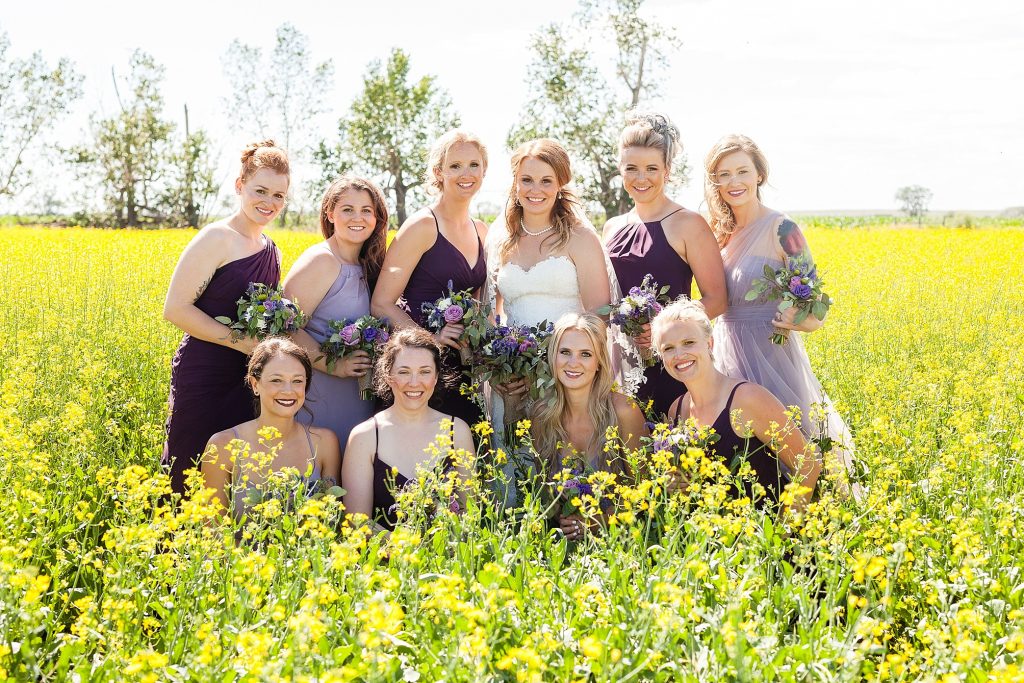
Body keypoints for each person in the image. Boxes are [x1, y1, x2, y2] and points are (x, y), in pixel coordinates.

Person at [703, 134, 857, 493]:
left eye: (742, 171)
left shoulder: (782, 228)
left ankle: (810, 517)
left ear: (759, 174)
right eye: (723, 174)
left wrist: (794, 319)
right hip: (725, 348)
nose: (734, 182)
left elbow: (816, 312)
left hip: (770, 352)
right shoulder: (717, 231)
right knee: (741, 445)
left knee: (792, 443)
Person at [162, 140, 289, 495]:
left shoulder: (271, 249)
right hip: (206, 371)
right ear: (239, 186)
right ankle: (175, 546)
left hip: (248, 375)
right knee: (190, 462)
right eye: (260, 191)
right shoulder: (217, 237)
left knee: (237, 470)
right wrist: (242, 342)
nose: (269, 202)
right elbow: (175, 308)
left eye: (279, 195)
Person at [604, 111, 727, 419]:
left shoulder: (688, 224)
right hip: (622, 363)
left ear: (667, 170)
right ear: (620, 170)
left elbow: (718, 299)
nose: (640, 178)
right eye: (631, 168)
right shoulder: (612, 227)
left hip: (675, 359)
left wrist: (662, 331)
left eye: (651, 168)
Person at [485, 138, 614, 424]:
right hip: (513, 377)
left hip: (568, 374)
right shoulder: (502, 240)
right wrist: (501, 365)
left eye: (546, 181)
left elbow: (599, 316)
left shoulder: (580, 238)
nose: (536, 190)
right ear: (515, 185)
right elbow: (490, 313)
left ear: (559, 186)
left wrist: (563, 364)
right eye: (527, 180)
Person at [652, 299, 820, 510]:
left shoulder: (747, 399)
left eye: (689, 343)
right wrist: (677, 484)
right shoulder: (676, 411)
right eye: (668, 348)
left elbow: (808, 465)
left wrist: (782, 533)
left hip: (763, 532)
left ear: (709, 343)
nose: (679, 355)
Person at [371, 130, 489, 428]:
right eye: (455, 166)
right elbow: (381, 303)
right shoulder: (422, 225)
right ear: (439, 172)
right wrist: (430, 342)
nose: (466, 174)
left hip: (465, 365)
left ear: (484, 170)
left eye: (474, 165)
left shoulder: (482, 230)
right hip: (417, 367)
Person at [283, 176, 388, 452]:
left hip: (357, 394)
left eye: (366, 210)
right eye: (347, 209)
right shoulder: (322, 260)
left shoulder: (368, 264)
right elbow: (286, 329)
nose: (358, 217)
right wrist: (333, 365)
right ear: (330, 213)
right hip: (320, 392)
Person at [342, 328, 475, 532]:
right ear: (388, 375)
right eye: (404, 372)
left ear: (437, 376)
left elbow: (469, 513)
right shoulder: (365, 436)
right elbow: (357, 521)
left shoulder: (457, 430)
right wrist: (405, 550)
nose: (414, 382)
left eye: (424, 372)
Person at [531, 313, 647, 541]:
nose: (573, 363)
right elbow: (545, 491)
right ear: (552, 357)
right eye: (565, 352)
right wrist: (562, 517)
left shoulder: (623, 411)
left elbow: (644, 491)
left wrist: (597, 522)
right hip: (563, 546)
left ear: (599, 362)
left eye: (585, 354)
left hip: (623, 541)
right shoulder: (542, 414)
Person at [202, 338, 341, 519]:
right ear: (255, 384)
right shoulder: (223, 446)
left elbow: (332, 521)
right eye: (277, 380)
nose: (288, 390)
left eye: (297, 381)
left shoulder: (324, 442)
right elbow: (212, 532)